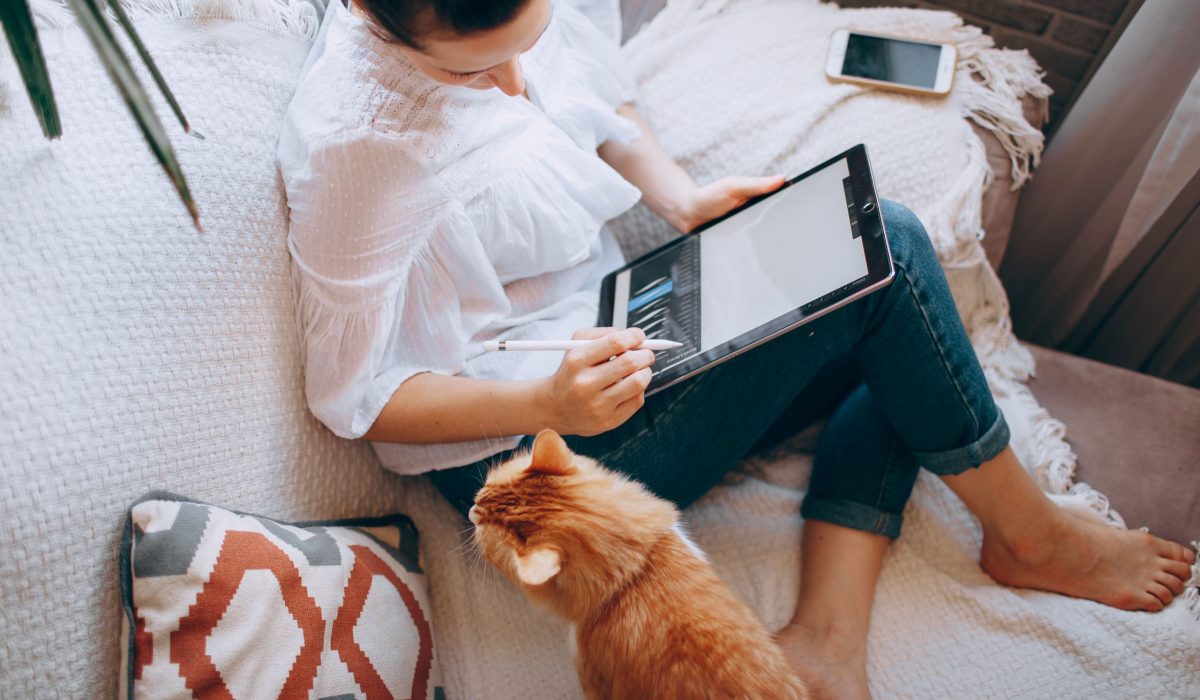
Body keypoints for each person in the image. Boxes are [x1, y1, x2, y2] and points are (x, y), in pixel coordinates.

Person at [277, 1, 1195, 697]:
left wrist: (681, 199)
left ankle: (828, 641)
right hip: (529, 458)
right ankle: (1027, 531)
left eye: (531, 39)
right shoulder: (360, 146)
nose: (521, 80)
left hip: (616, 332)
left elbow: (598, 103)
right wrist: (544, 406)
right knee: (896, 253)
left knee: (896, 313)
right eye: (486, 70)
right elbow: (354, 395)